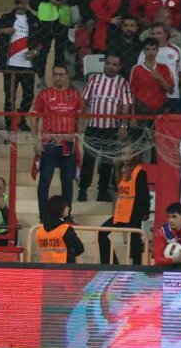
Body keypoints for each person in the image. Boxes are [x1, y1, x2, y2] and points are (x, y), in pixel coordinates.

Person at [79, 54, 132, 202]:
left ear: (119, 67)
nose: (110, 66)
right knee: (88, 160)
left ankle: (102, 191)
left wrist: (122, 126)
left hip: (111, 128)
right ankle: (82, 190)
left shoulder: (123, 83)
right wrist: (82, 121)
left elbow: (126, 107)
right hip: (93, 127)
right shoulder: (94, 80)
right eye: (108, 63)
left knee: (107, 161)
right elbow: (84, 101)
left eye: (114, 64)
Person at [30, 64, 82, 215]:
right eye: (55, 74)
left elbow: (80, 119)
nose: (58, 77)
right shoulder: (44, 94)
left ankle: (66, 215)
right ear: (52, 76)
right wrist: (36, 141)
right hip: (49, 143)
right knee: (44, 181)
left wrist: (78, 137)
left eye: (61, 74)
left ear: (66, 76)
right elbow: (34, 118)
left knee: (67, 182)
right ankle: (43, 215)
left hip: (68, 143)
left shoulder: (74, 95)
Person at [0, 0, 39, 120]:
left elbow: (42, 41)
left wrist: (36, 52)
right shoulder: (6, 18)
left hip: (27, 65)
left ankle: (19, 121)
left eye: (22, 2)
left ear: (27, 3)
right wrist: (3, 30)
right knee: (10, 99)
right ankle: (10, 127)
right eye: (17, 2)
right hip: (9, 65)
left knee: (28, 96)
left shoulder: (34, 20)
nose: (19, 5)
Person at [99, 147, 149, 265]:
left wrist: (144, 211)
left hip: (134, 212)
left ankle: (137, 268)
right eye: (123, 153)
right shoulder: (118, 170)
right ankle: (111, 264)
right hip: (121, 213)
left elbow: (144, 193)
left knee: (134, 241)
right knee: (102, 232)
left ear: (134, 155)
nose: (126, 156)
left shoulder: (139, 171)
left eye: (129, 153)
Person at [35, 195, 84, 263]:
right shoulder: (65, 229)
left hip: (45, 269)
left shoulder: (40, 230)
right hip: (63, 269)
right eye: (65, 206)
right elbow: (79, 249)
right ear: (60, 209)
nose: (68, 208)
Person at [152, 202, 181, 267]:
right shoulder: (162, 232)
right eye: (169, 217)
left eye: (174, 217)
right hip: (164, 269)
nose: (171, 220)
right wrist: (174, 260)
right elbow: (158, 259)